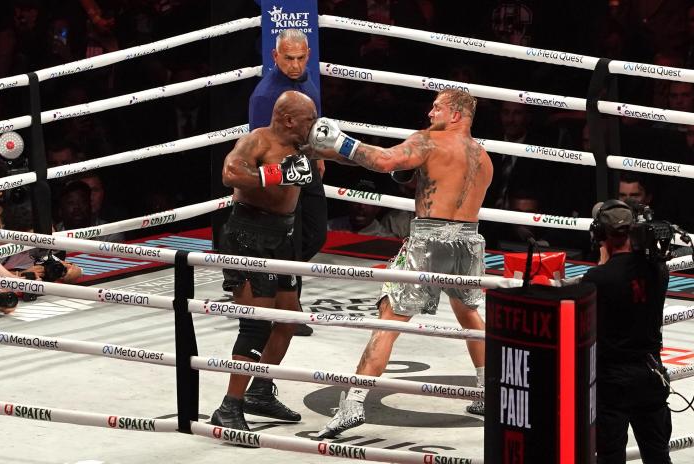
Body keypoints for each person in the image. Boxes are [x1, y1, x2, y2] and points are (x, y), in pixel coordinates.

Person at [307, 88, 493, 437]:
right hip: (469, 242)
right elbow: (430, 181)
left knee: (389, 317)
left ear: (455, 114)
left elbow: (385, 161)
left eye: (437, 108)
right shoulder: (484, 158)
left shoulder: (428, 142)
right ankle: (487, 392)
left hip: (430, 239)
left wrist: (341, 141)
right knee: (467, 312)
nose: (429, 114)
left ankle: (353, 404)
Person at [211, 90, 317, 432]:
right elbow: (230, 173)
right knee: (256, 324)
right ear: (288, 119)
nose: (312, 125)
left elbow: (337, 158)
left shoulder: (304, 145)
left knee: (287, 319)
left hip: (282, 237)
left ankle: (259, 389)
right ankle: (229, 406)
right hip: (247, 234)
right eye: (308, 120)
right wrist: (274, 174)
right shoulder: (258, 139)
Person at [242, 28, 327, 339]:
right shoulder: (265, 95)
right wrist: (272, 181)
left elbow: (314, 121)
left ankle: (270, 281)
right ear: (274, 56)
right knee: (291, 238)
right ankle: (288, 305)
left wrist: (317, 155)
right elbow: (257, 144)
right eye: (288, 58)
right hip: (282, 171)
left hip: (307, 162)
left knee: (316, 234)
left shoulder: (308, 80)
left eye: (300, 57)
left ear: (308, 55)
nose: (294, 64)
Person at [582, 200, 671, 464]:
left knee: (610, 456)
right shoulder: (659, 271)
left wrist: (603, 262)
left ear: (600, 236)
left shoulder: (597, 279)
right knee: (658, 455)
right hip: (650, 373)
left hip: (612, 381)